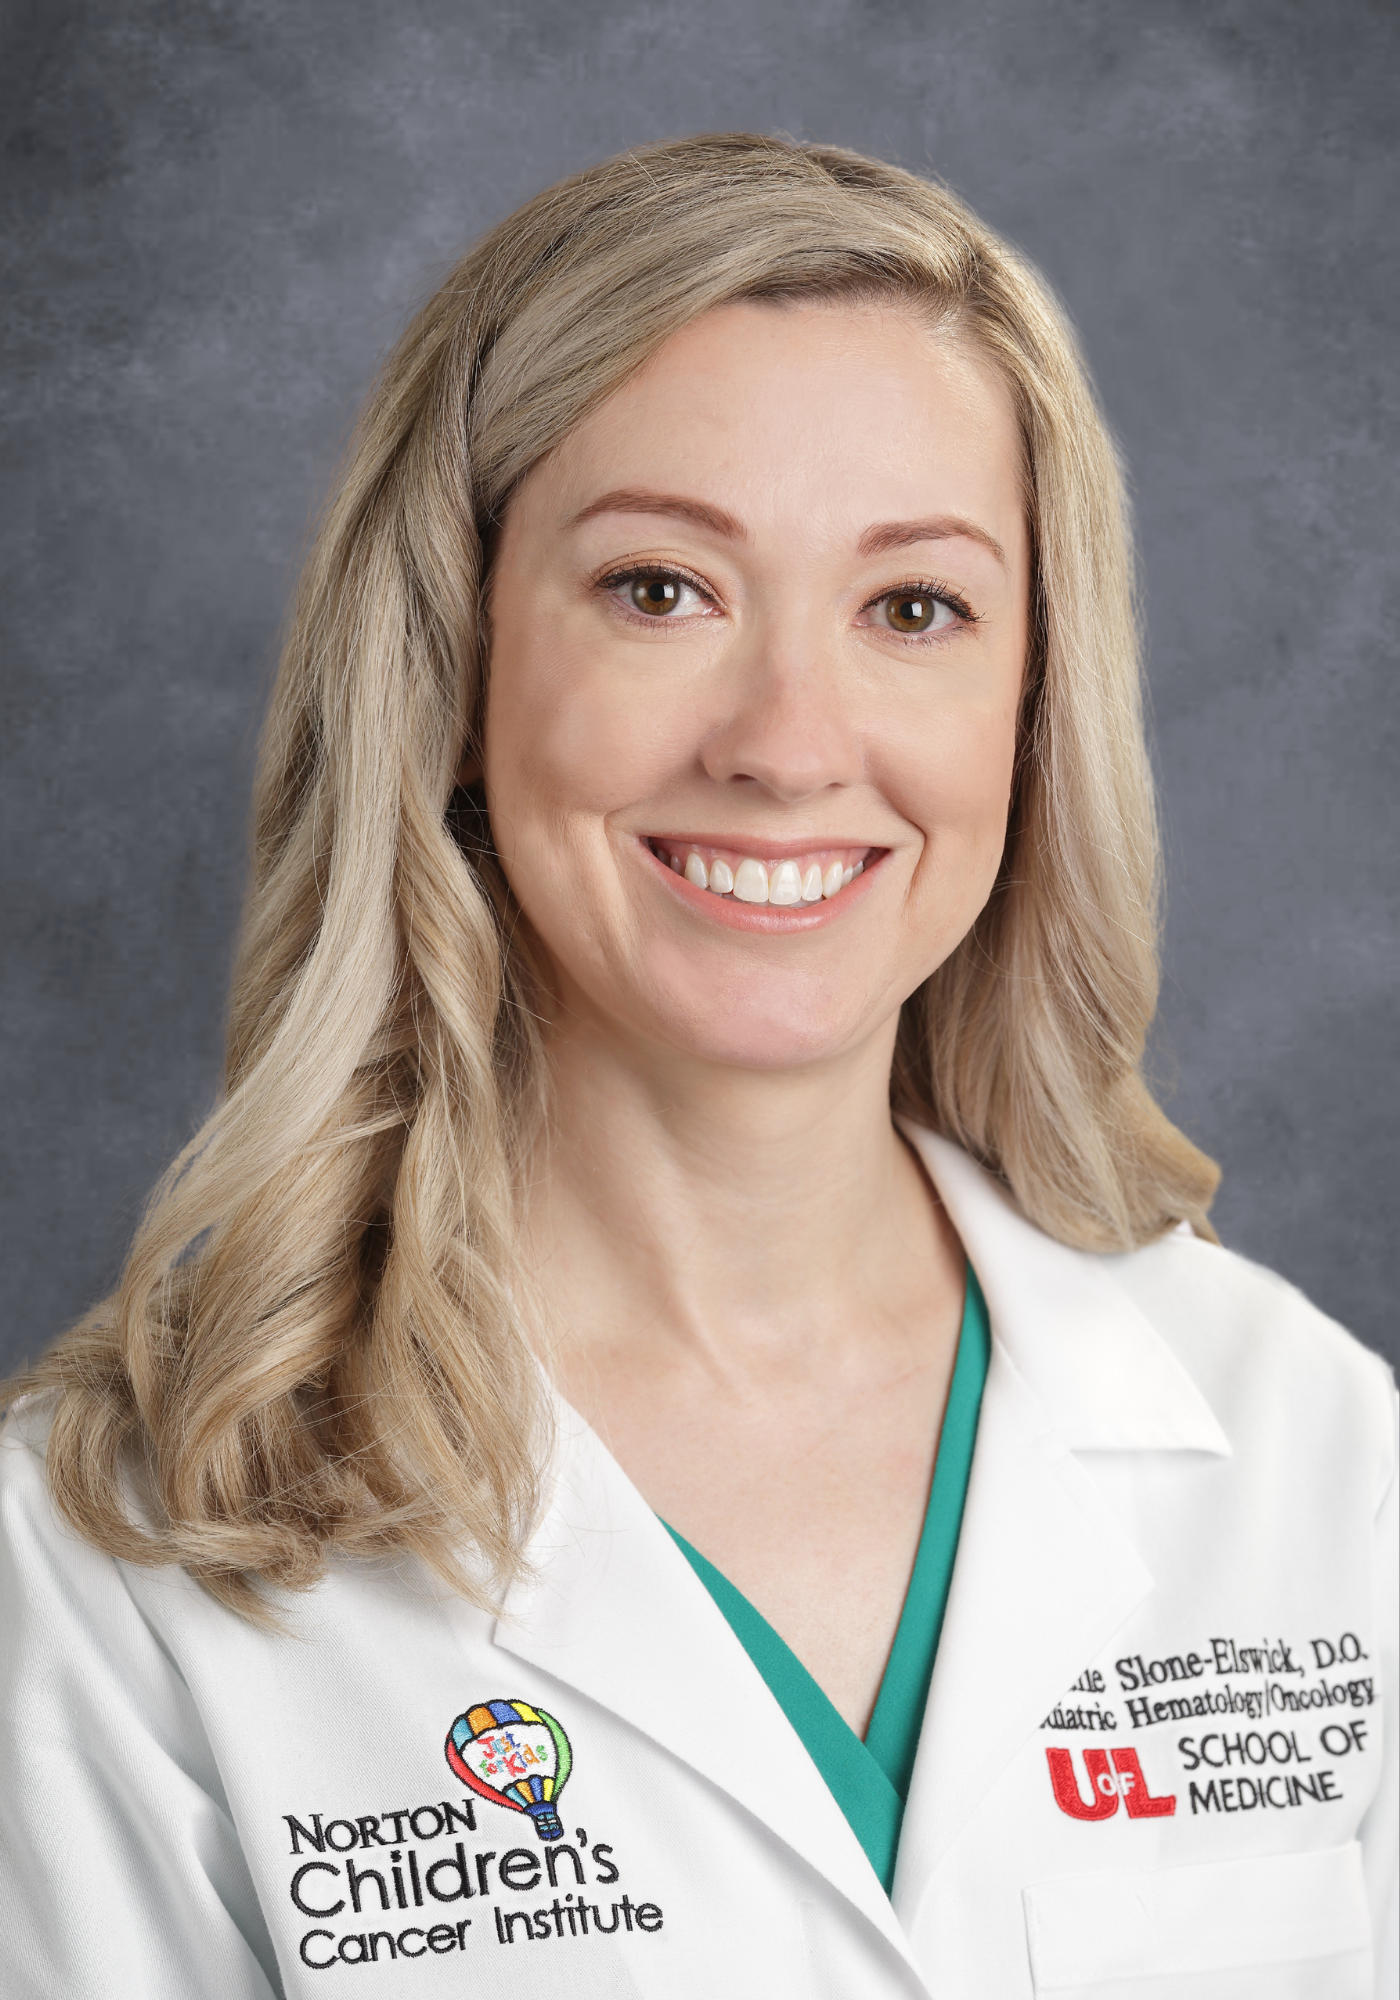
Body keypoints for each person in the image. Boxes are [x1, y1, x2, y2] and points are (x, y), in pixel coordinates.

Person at [1, 134, 1393, 1999]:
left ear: (1032, 704)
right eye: (661, 589)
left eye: (915, 609)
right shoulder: (113, 1560)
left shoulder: (1311, 1450)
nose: (789, 745)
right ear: (456, 667)